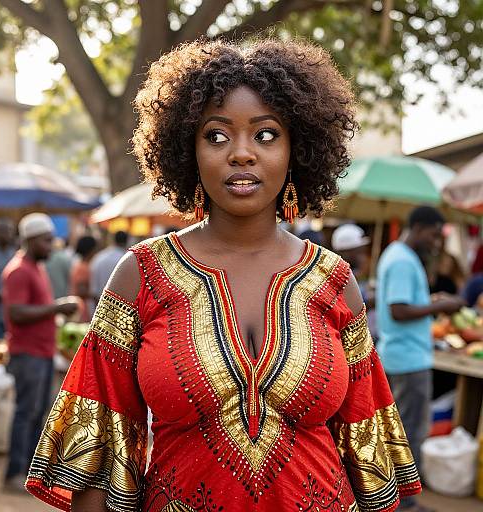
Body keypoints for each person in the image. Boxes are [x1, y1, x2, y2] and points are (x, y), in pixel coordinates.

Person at [26, 39, 421, 512]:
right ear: (186, 149)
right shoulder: (143, 275)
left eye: (266, 134)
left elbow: (369, 451)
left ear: (299, 149)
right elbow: (96, 459)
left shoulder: (334, 280)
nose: (241, 153)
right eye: (216, 135)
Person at [376, 206, 465, 512]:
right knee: (410, 433)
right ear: (419, 227)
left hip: (400, 355)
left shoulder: (397, 255)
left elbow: (403, 304)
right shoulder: (402, 259)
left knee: (398, 432)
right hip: (408, 360)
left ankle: (394, 499)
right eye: (434, 234)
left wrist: (431, 302)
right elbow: (398, 310)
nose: (436, 242)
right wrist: (443, 306)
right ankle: (404, 503)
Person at [2, 213, 78, 492]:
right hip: (27, 353)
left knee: (37, 413)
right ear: (31, 240)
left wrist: (56, 310)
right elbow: (17, 312)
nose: (50, 246)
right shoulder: (19, 270)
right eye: (46, 241)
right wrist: (57, 308)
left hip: (42, 351)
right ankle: (13, 474)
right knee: (26, 412)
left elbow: (34, 309)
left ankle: (29, 473)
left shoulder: (36, 267)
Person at [90, 230, 128, 303]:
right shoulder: (127, 260)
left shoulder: (99, 257)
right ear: (126, 241)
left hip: (100, 305)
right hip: (121, 307)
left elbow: (94, 292)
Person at [70, 235, 98, 322]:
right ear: (91, 250)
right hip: (82, 310)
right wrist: (96, 296)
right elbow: (81, 290)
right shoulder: (83, 268)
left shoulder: (80, 265)